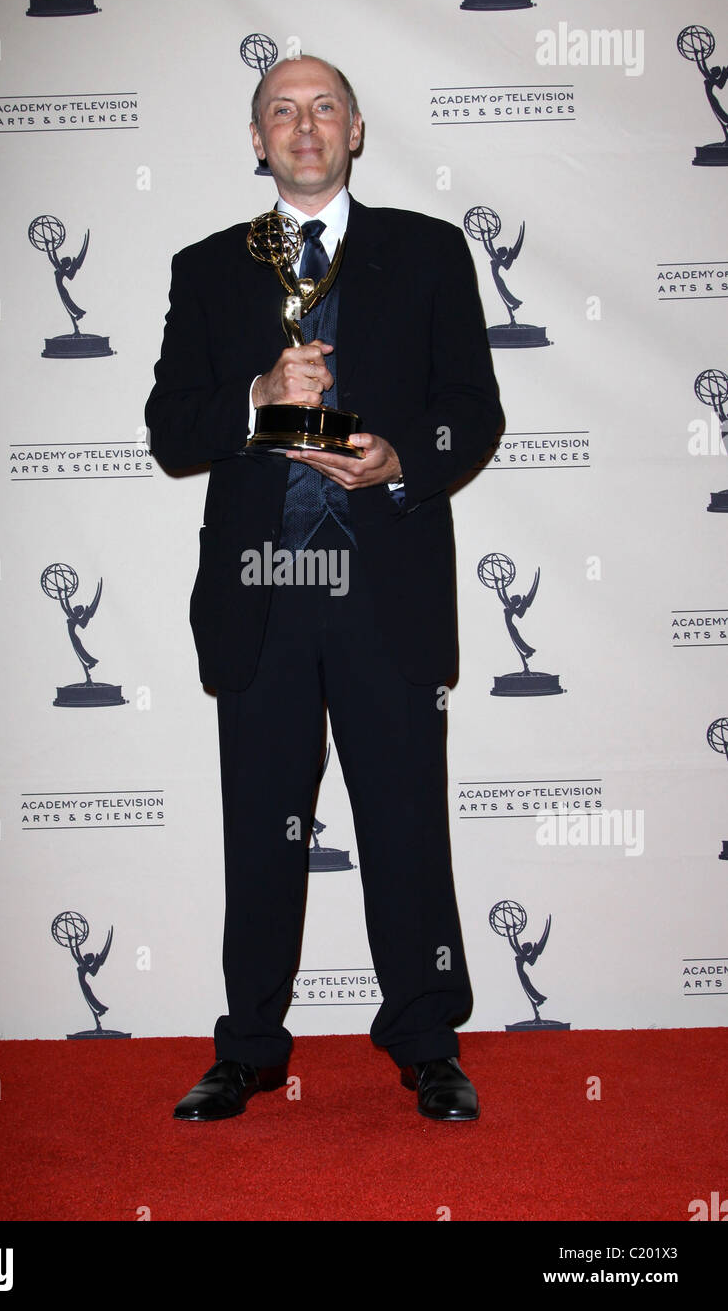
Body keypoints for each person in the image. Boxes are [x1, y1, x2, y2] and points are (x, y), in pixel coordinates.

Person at [145, 55, 503, 1122]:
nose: (304, 127)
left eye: (323, 109)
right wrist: (256, 396)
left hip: (383, 581)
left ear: (356, 130)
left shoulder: (430, 254)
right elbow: (171, 431)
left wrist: (402, 459)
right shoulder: (207, 269)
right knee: (261, 830)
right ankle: (249, 1046)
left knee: (404, 826)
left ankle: (427, 1039)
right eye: (280, 112)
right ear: (256, 141)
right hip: (261, 591)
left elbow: (471, 411)